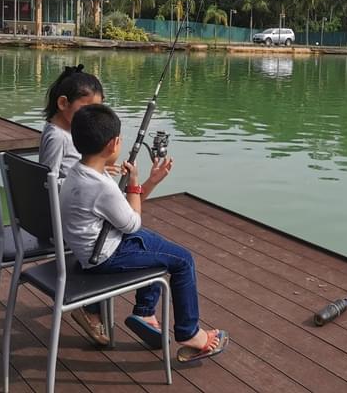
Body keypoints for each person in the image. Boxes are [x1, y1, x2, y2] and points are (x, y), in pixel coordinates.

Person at [61, 104, 228, 360]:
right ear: (113, 144)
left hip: (95, 249)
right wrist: (136, 182)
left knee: (154, 243)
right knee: (183, 261)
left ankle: (145, 312)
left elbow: (123, 216)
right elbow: (132, 223)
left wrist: (149, 182)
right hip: (105, 257)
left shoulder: (78, 173)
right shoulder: (100, 186)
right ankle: (189, 332)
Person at [39, 64, 110, 345]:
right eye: (87, 109)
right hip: (62, 218)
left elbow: (67, 171)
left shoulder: (65, 132)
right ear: (63, 103)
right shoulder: (57, 136)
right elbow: (46, 179)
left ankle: (90, 305)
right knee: (113, 240)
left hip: (65, 211)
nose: (93, 118)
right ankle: (90, 310)